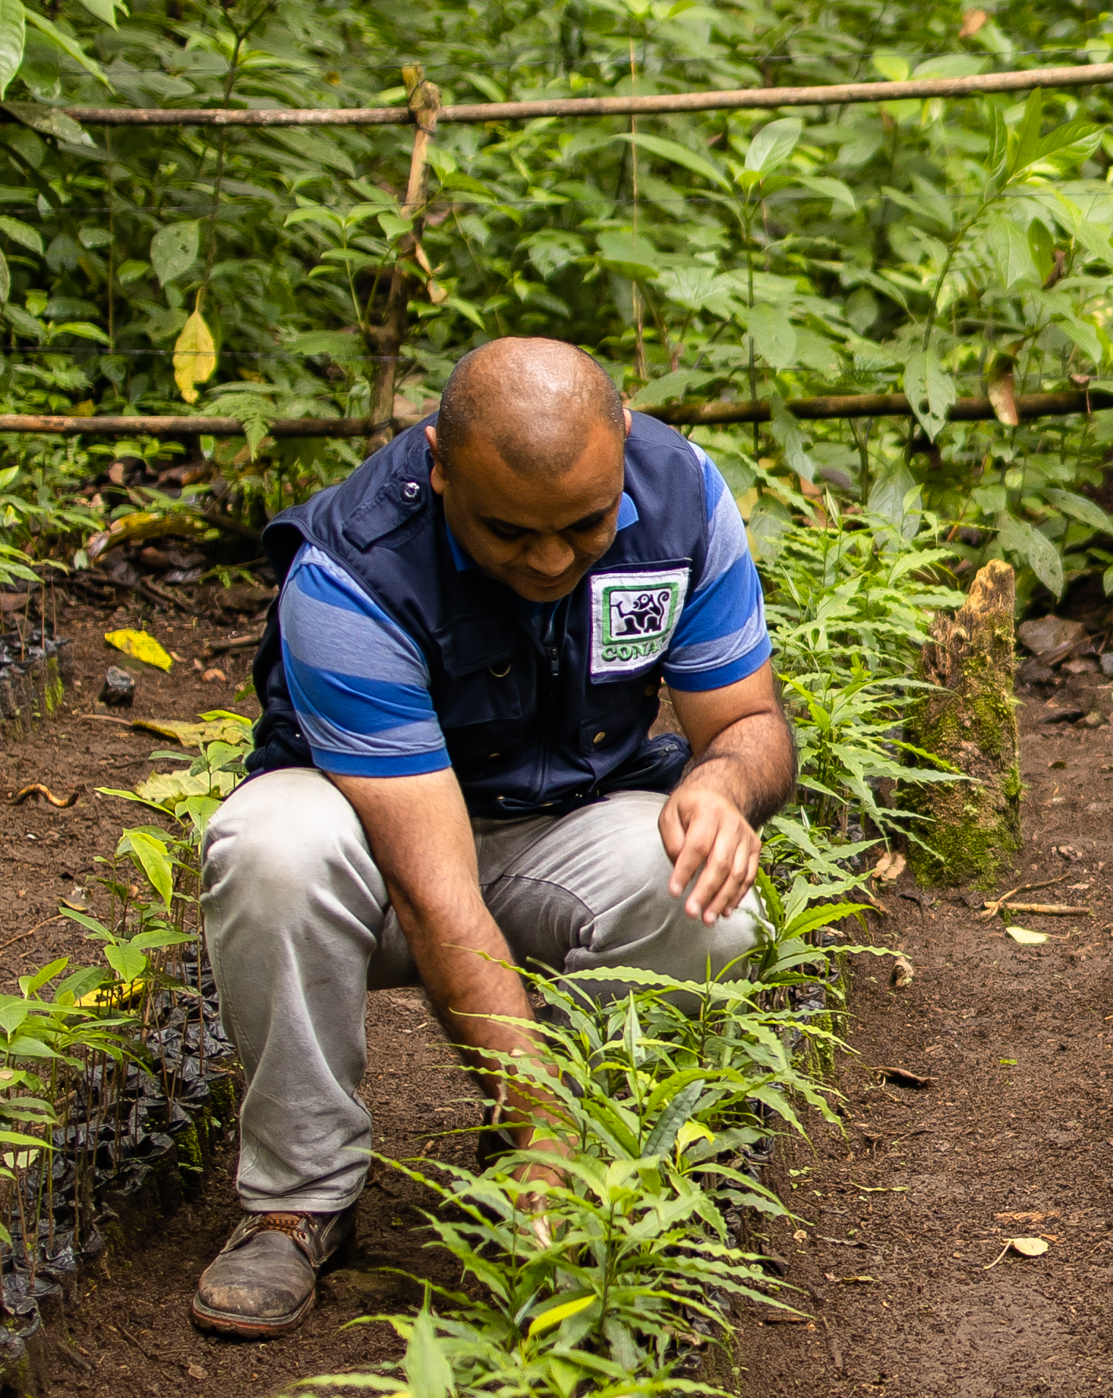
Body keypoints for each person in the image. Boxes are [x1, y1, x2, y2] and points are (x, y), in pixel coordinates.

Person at [191, 338, 797, 1338]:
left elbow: (748, 723)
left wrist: (724, 787)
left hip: (564, 822)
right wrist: (537, 1120)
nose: (552, 559)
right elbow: (440, 896)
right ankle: (298, 1197)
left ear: (623, 443)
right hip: (382, 857)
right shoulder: (354, 573)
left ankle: (570, 1155)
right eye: (509, 531)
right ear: (438, 465)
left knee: (706, 897)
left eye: (585, 525)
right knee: (269, 846)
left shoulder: (682, 496)